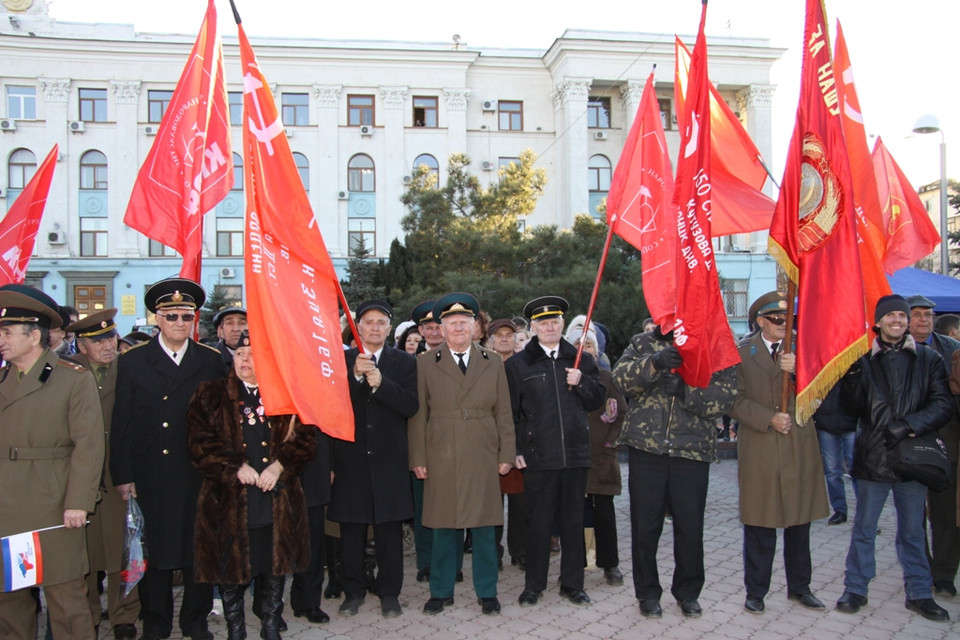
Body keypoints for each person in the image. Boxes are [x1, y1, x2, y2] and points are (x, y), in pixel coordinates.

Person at [110, 278, 227, 640]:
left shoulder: (210, 361)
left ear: (195, 320)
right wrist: (123, 475)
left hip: (197, 472)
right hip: (151, 472)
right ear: (156, 318)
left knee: (199, 550)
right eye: (171, 315)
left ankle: (195, 620)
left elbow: (222, 421)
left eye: (186, 316)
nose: (179, 322)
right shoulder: (133, 362)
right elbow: (122, 424)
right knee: (155, 552)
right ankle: (157, 623)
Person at [188, 330, 317, 640]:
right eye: (240, 353)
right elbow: (198, 444)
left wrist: (280, 464)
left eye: (253, 353)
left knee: (275, 562)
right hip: (228, 499)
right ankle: (236, 629)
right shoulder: (211, 394)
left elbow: (307, 438)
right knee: (230, 565)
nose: (245, 359)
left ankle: (271, 625)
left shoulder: (287, 395)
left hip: (276, 498)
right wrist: (233, 467)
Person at [835, 294, 953, 622]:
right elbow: (850, 410)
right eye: (891, 316)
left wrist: (908, 426)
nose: (898, 320)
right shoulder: (862, 359)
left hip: (914, 458)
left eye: (903, 315)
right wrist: (853, 377)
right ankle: (855, 588)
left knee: (913, 530)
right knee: (864, 528)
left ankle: (919, 592)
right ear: (879, 322)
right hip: (872, 457)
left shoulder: (929, 359)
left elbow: (943, 403)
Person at [0, 284, 104, 640]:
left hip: (54, 504)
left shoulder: (71, 378)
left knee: (66, 598)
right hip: (7, 506)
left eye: (8, 332)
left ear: (34, 336)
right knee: (9, 599)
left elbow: (88, 447)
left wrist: (79, 503)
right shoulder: (2, 378)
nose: (1, 339)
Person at [612, 321, 736, 618]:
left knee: (690, 527)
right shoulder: (642, 342)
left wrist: (687, 391)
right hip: (647, 449)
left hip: (690, 451)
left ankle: (688, 592)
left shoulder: (713, 344)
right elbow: (620, 381)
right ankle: (648, 593)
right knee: (645, 527)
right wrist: (652, 364)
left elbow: (724, 399)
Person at [408, 293, 515, 616]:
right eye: (451, 323)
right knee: (442, 526)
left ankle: (487, 591)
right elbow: (418, 416)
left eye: (464, 323)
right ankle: (440, 591)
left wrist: (506, 452)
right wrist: (418, 458)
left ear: (474, 328)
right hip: (441, 451)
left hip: (482, 450)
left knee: (484, 527)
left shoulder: (492, 361)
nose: (457, 328)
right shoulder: (425, 363)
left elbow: (504, 412)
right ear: (441, 328)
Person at [728, 291, 829, 615]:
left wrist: (800, 370)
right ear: (760, 321)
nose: (784, 325)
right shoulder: (742, 353)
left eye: (788, 320)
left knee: (799, 521)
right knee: (760, 523)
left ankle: (801, 587)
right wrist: (767, 417)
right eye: (777, 320)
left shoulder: (804, 351)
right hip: (760, 445)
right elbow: (732, 400)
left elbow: (823, 395)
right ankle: (756, 591)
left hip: (797, 444)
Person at [506, 296, 605, 607]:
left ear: (563, 324)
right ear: (533, 327)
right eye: (543, 322)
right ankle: (533, 584)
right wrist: (516, 448)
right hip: (538, 456)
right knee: (538, 523)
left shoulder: (581, 360)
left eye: (554, 321)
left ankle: (572, 584)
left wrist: (582, 382)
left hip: (575, 455)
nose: (549, 327)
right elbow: (510, 412)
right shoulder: (518, 364)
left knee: (574, 522)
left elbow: (597, 400)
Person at [329, 300, 418, 618]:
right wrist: (354, 376)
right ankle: (352, 591)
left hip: (389, 462)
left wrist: (382, 384)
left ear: (390, 328)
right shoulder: (342, 360)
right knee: (351, 532)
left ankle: (389, 593)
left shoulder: (405, 363)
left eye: (382, 322)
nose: (375, 327)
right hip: (350, 461)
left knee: (388, 533)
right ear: (358, 327)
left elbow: (411, 405)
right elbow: (331, 407)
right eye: (369, 322)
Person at [67, 309, 141, 640]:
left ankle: (124, 615)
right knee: (83, 552)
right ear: (81, 345)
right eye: (98, 341)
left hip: (117, 473)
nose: (108, 346)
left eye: (111, 337)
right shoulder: (67, 374)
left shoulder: (127, 371)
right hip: (79, 476)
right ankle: (89, 615)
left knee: (122, 547)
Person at [905, 295, 960, 598]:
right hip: (909, 441)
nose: (924, 319)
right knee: (912, 513)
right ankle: (919, 568)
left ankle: (944, 573)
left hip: (947, 442)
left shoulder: (952, 349)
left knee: (945, 513)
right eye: (917, 315)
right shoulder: (894, 349)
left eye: (928, 314)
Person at [569, 326, 628, 589]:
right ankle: (579, 562)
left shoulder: (607, 378)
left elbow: (622, 414)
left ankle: (610, 563)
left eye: (589, 345)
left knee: (604, 514)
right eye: (580, 346)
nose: (586, 350)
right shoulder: (566, 379)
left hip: (602, 457)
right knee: (575, 514)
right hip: (574, 458)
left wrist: (611, 441)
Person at [487, 318, 527, 570]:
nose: (504, 338)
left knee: (521, 503)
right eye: (498, 334)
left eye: (509, 334)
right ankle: (493, 553)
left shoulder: (525, 365)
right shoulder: (482, 365)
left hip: (519, 443)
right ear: (490, 340)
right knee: (492, 504)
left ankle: (520, 551)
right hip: (488, 444)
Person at [813, 383, 858, 525]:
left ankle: (865, 514)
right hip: (827, 421)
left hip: (851, 421)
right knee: (832, 471)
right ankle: (840, 510)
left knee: (857, 470)